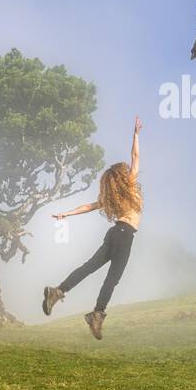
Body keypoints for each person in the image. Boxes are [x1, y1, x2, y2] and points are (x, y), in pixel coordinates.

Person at [42, 116, 143, 339]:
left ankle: (58, 291)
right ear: (123, 177)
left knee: (90, 267)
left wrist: (66, 213)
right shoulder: (131, 186)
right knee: (112, 279)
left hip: (115, 233)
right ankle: (96, 314)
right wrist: (136, 135)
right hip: (124, 235)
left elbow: (89, 206)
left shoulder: (113, 198)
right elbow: (135, 156)